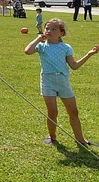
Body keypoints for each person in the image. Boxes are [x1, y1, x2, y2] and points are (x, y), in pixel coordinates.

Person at [24, 18, 98, 146]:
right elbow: (27, 51)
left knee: (73, 111)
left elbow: (74, 66)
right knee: (52, 111)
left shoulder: (65, 47)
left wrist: (89, 54)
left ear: (61, 33)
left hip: (62, 81)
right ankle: (52, 137)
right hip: (48, 80)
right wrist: (38, 39)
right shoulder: (41, 46)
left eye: (53, 29)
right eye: (47, 28)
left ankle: (80, 139)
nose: (49, 31)